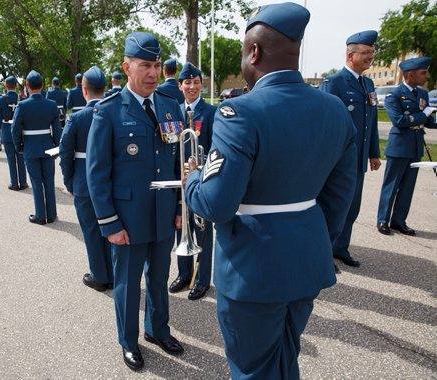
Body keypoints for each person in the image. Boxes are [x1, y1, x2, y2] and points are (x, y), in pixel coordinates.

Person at [184, 3, 357, 378]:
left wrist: (193, 179)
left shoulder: (239, 113)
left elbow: (215, 205)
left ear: (255, 52)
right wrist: (313, 239)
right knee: (283, 359)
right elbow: (341, 196)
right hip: (307, 261)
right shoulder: (335, 110)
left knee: (253, 370)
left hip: (253, 271)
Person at [86, 31, 184, 371]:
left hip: (162, 214)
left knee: (158, 278)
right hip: (127, 219)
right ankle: (128, 342)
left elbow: (177, 163)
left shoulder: (172, 106)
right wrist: (109, 223)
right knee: (127, 286)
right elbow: (97, 174)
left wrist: (179, 208)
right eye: (145, 65)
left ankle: (157, 330)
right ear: (127, 67)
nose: (153, 73)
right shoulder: (109, 111)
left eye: (157, 65)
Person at [320, 30, 381, 269]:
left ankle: (340, 248)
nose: (370, 58)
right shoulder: (333, 83)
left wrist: (374, 152)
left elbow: (371, 121)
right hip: (337, 162)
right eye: (366, 53)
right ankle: (323, 253)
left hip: (358, 160)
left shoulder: (368, 83)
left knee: (352, 208)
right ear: (350, 55)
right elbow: (324, 125)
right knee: (333, 208)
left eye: (372, 54)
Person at [59, 66, 114, 291]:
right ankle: (113, 272)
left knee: (91, 230)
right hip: (111, 180)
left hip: (83, 182)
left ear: (84, 90)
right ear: (106, 89)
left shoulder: (77, 117)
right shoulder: (114, 112)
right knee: (112, 228)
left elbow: (64, 153)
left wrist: (69, 181)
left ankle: (99, 276)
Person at [169, 62, 215, 301]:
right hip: (180, 182)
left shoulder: (211, 112)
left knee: (203, 231)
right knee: (181, 228)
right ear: (180, 85)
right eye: (188, 82)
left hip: (202, 181)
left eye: (196, 82)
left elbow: (217, 149)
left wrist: (199, 165)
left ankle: (202, 279)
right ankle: (184, 274)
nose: (192, 87)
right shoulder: (174, 112)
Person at [377, 57, 436, 236]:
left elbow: (429, 122)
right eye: (423, 73)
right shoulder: (394, 95)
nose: (427, 76)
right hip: (399, 146)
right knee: (391, 185)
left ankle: (399, 221)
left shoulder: (423, 94)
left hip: (416, 146)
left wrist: (430, 117)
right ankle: (382, 220)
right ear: (410, 75)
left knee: (408, 186)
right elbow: (399, 120)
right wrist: (423, 115)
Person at [12, 70, 61, 225]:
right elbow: (57, 129)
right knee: (49, 181)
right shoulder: (51, 105)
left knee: (36, 182)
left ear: (27, 85)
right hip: (47, 146)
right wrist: (56, 148)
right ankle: (51, 214)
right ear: (43, 85)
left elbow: (15, 129)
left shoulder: (22, 105)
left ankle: (40, 215)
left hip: (31, 147)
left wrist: (19, 145)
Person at [0, 76, 28, 191]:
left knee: (10, 158)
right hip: (19, 131)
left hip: (7, 130)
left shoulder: (0, 99)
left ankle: (14, 183)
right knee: (21, 157)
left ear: (6, 85)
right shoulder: (22, 99)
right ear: (15, 85)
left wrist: (1, 127)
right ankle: (23, 182)